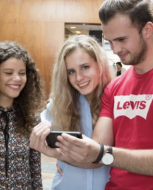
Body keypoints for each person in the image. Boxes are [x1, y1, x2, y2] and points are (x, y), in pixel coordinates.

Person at [30, 0, 153, 189]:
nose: (115, 50)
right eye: (110, 41)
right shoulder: (115, 87)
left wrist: (103, 153)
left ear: (147, 30)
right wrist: (57, 154)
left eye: (121, 40)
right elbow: (94, 156)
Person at [32, 35, 113, 190]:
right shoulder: (58, 105)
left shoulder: (117, 101)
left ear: (99, 64)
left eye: (85, 67)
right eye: (71, 71)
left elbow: (101, 159)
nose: (79, 77)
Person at [0, 41, 44, 189]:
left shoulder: (31, 118)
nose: (17, 79)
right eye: (8, 73)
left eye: (22, 73)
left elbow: (35, 169)